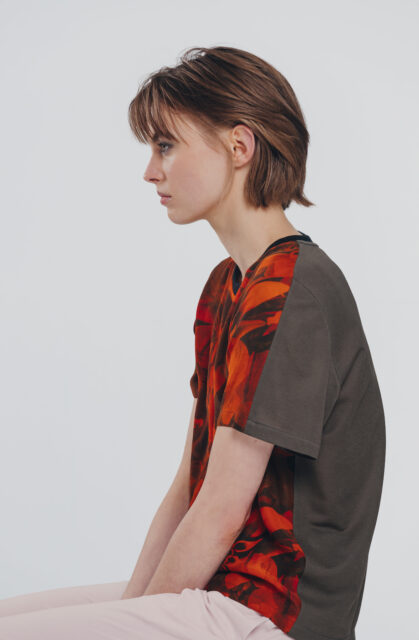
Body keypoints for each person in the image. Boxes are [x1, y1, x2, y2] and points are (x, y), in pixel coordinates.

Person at [0, 46, 385, 640]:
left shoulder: (292, 290)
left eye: (165, 146)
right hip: (215, 592)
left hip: (271, 614)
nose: (150, 172)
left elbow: (221, 510)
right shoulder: (229, 285)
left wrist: (132, 620)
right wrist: (133, 606)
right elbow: (191, 483)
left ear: (239, 146)